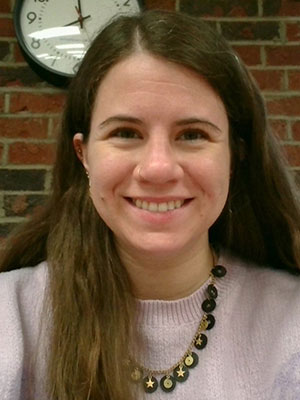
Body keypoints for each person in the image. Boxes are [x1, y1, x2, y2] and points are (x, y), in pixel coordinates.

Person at [1, 9, 300, 400]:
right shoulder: (10, 317)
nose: (158, 168)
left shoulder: (291, 321)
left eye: (192, 134)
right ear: (84, 154)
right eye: (126, 132)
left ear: (235, 156)